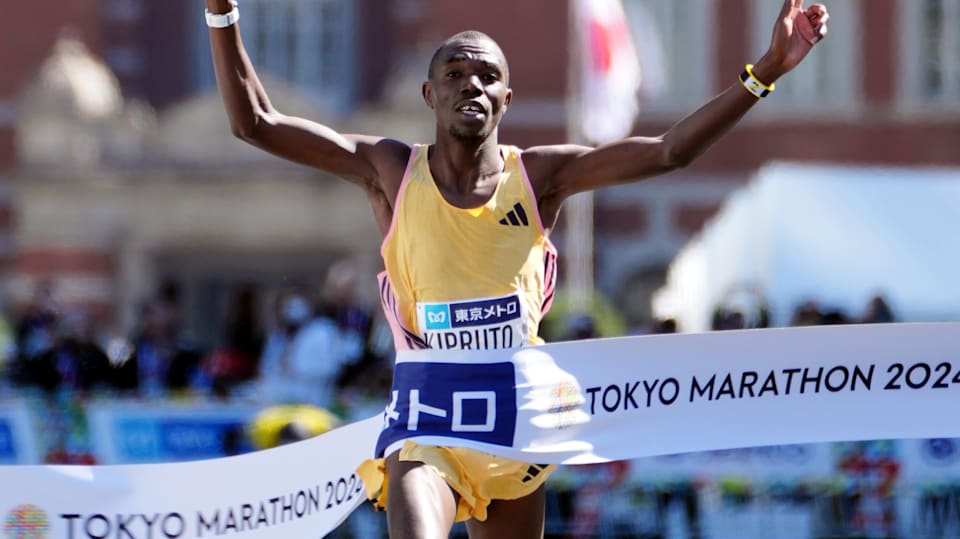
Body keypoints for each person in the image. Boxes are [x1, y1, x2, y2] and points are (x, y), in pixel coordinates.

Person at [205, 0, 829, 536]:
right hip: (428, 423)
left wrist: (766, 70)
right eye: (454, 73)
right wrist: (221, 12)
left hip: (517, 423)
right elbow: (254, 122)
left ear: (507, 97)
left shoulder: (540, 178)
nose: (470, 84)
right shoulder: (391, 170)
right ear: (430, 95)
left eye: (486, 75)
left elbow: (669, 153)